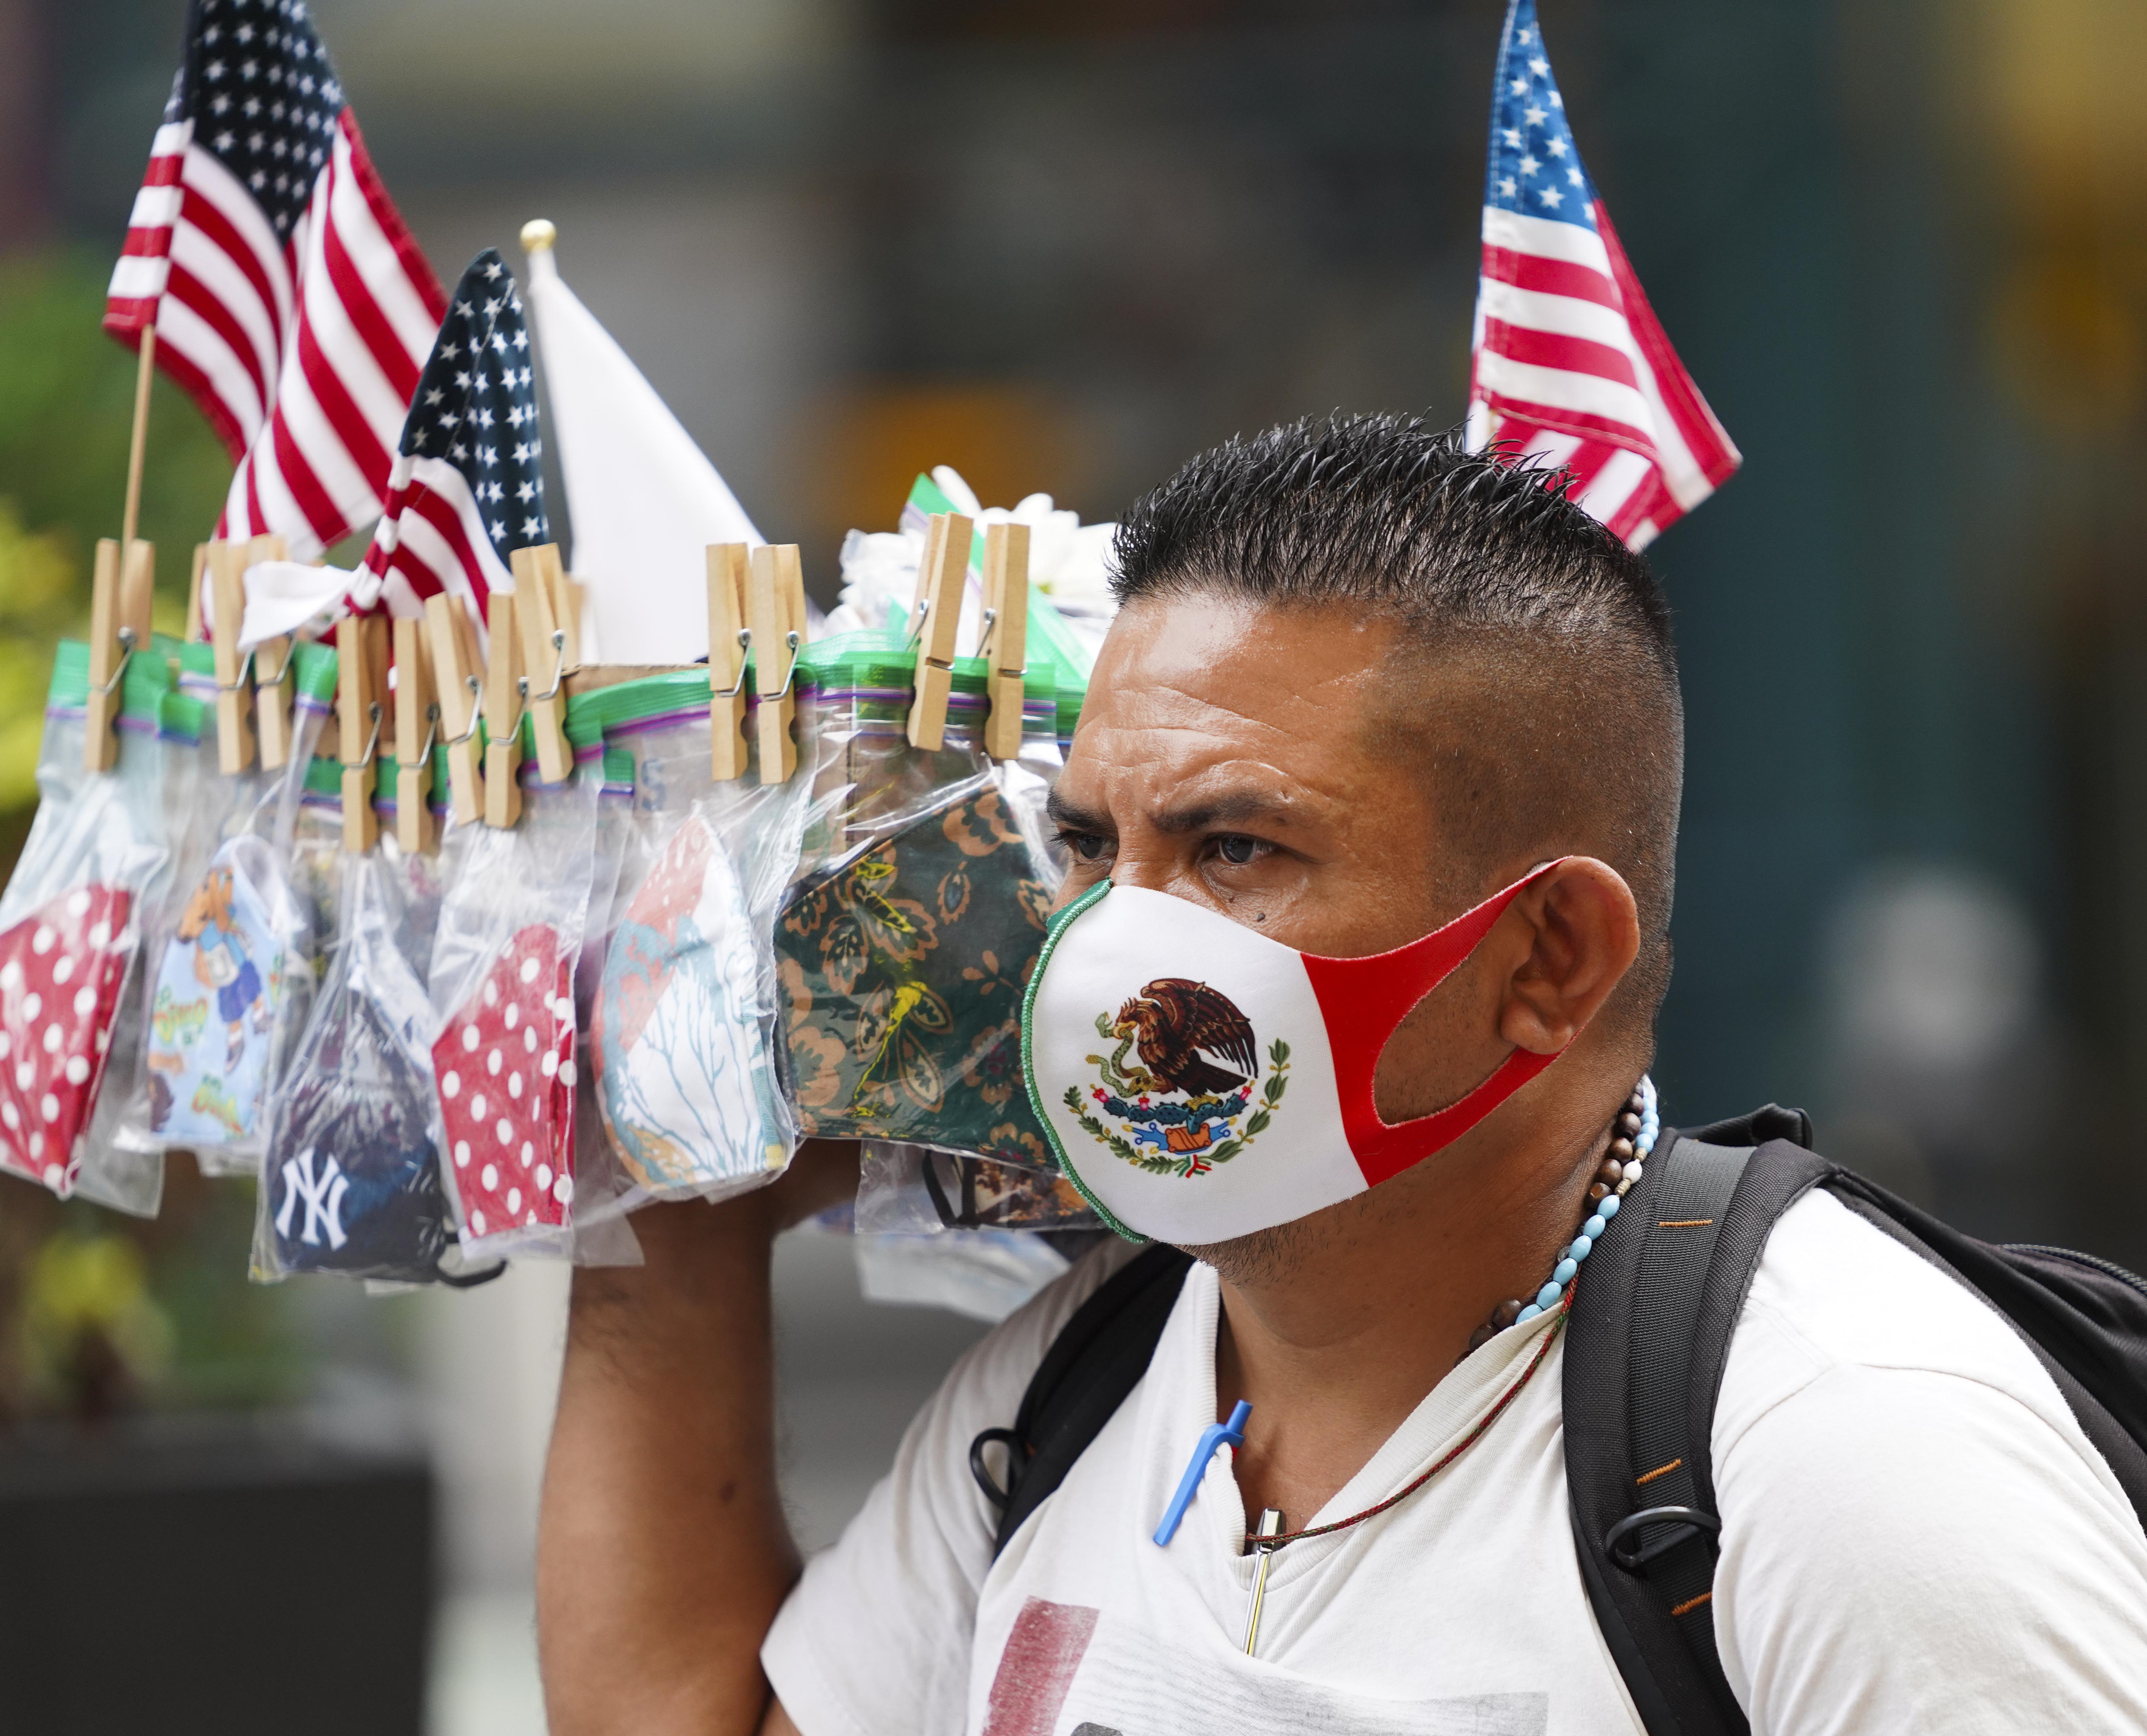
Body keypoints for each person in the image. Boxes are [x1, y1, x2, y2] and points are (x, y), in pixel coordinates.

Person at [538, 415, 2147, 1734]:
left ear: (1546, 960)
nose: (1102, 948)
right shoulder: (1091, 1382)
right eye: (1088, 846)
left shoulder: (1850, 1462)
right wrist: (670, 1188)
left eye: (1235, 849)